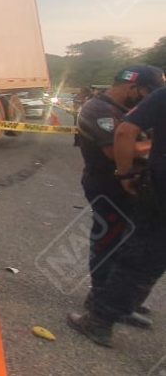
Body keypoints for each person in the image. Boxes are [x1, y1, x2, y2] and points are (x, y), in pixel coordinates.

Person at [68, 65, 166, 347]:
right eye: (145, 93)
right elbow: (115, 148)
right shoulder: (96, 109)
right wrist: (152, 146)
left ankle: (117, 302)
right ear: (131, 86)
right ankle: (100, 300)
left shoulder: (131, 108)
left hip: (137, 186)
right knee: (110, 241)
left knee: (132, 247)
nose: (147, 98)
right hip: (107, 185)